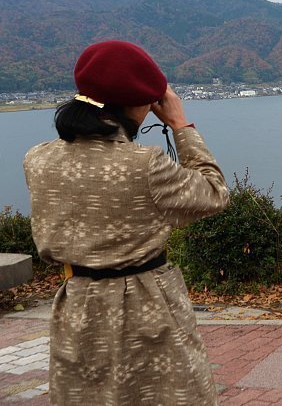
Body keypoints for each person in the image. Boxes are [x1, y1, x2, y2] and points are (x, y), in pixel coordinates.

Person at [23, 40, 229, 405]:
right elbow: (214, 193)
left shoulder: (37, 160)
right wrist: (181, 125)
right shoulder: (144, 165)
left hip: (76, 304)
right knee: (166, 394)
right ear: (136, 104)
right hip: (146, 303)